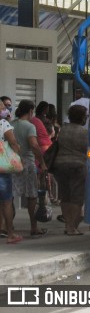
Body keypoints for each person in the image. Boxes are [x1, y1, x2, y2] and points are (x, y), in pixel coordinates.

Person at [11, 100, 47, 237]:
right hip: (27, 163)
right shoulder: (30, 126)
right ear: (31, 111)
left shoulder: (12, 124)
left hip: (13, 163)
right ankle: (34, 226)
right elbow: (34, 145)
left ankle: (7, 225)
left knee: (10, 196)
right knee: (32, 196)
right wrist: (42, 163)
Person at [54, 105, 89, 236]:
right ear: (81, 117)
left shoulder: (63, 129)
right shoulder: (84, 133)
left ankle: (68, 225)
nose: (86, 118)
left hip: (60, 165)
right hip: (77, 166)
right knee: (77, 198)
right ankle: (73, 227)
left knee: (65, 196)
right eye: (85, 116)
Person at [0, 100, 22, 243]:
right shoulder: (3, 124)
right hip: (2, 169)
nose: (5, 110)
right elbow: (13, 142)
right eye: (2, 107)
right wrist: (18, 156)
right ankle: (10, 234)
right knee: (6, 202)